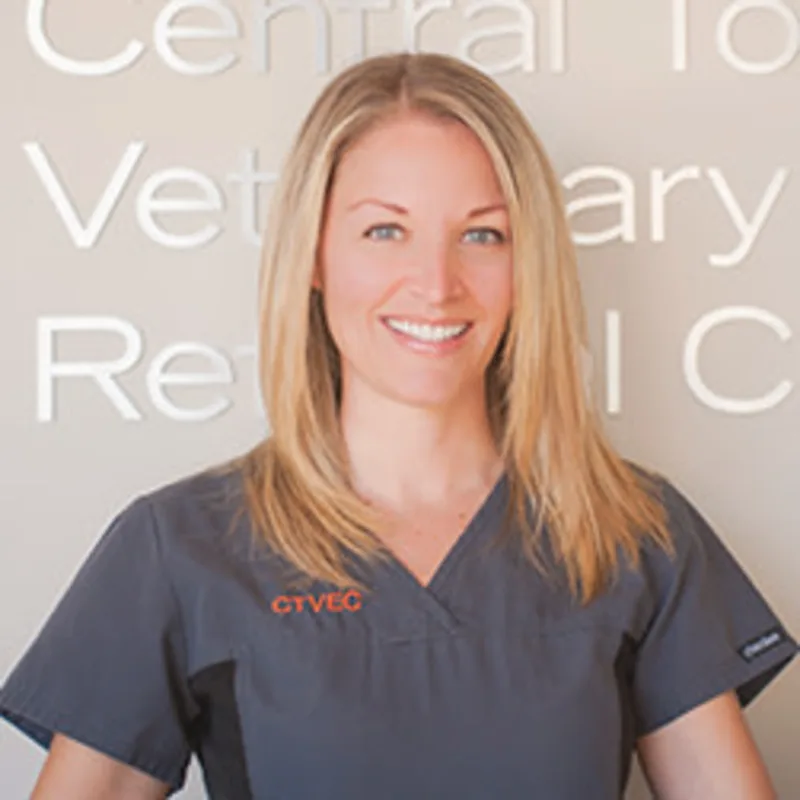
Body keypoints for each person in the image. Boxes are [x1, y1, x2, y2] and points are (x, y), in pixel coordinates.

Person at [1, 51, 797, 800]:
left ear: (529, 265)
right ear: (314, 255)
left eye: (482, 235)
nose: (436, 283)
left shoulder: (634, 534)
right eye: (385, 230)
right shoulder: (180, 548)